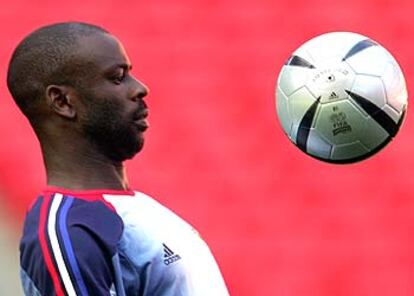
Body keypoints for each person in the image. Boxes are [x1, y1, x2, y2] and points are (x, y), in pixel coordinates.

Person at [7, 22, 229, 296]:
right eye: (117, 77)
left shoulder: (129, 208)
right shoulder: (69, 231)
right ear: (62, 101)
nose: (140, 88)